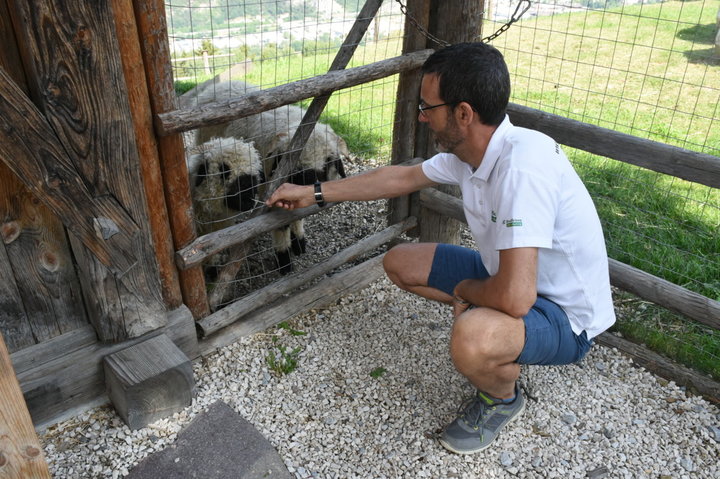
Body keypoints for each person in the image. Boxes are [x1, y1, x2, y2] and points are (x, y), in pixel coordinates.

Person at [266, 42, 616, 455]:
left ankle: (502, 398)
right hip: (511, 281)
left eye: (428, 107)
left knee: (471, 337)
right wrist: (314, 192)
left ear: (463, 114)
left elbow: (516, 297)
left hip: (565, 317)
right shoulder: (474, 151)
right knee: (399, 262)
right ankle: (498, 336)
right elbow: (398, 179)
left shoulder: (522, 170)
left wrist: (469, 295)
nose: (422, 116)